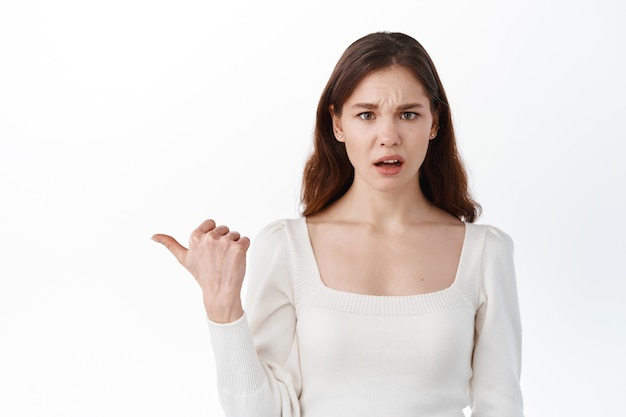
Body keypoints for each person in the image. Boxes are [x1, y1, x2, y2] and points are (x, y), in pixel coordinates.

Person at [152, 31, 524, 417]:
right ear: (338, 124)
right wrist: (222, 305)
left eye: (408, 114)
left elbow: (502, 406)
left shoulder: (485, 252)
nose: (389, 137)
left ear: (434, 122)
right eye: (366, 114)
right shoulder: (288, 247)